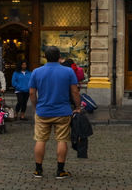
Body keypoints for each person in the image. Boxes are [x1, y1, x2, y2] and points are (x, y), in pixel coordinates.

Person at [28, 46, 82, 179]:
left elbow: (31, 92)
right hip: (62, 111)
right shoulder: (68, 71)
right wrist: (78, 106)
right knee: (62, 140)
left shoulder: (36, 72)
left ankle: (38, 170)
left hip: (43, 111)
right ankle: (60, 170)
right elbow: (75, 91)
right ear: (59, 57)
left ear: (45, 57)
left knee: (40, 140)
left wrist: (35, 106)